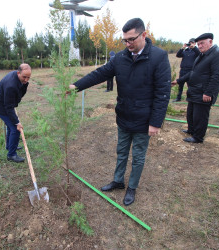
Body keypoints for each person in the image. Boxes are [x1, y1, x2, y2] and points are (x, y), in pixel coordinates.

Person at [69, 18, 171, 206]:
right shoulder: (121, 58)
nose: (127, 44)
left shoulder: (158, 57)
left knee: (138, 156)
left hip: (144, 119)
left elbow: (163, 93)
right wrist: (76, 86)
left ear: (144, 35)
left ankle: (132, 187)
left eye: (131, 39)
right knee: (121, 151)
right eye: (125, 40)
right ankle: (118, 181)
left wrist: (156, 122)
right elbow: (99, 74)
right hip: (124, 116)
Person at [171, 33, 219, 143]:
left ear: (210, 42)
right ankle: (191, 130)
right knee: (191, 114)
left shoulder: (218, 54)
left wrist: (208, 92)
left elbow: (216, 76)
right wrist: (178, 81)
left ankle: (198, 137)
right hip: (194, 91)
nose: (200, 46)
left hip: (203, 92)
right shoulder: (202, 55)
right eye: (198, 44)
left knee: (200, 116)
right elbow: (192, 72)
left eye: (202, 43)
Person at [0, 64, 32, 162]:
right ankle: (11, 155)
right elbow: (8, 107)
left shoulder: (18, 78)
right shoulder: (11, 85)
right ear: (18, 73)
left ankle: (10, 146)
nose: (26, 80)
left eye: (28, 77)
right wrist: (17, 122)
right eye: (24, 77)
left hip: (5, 103)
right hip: (0, 106)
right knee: (15, 129)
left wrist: (24, 84)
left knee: (10, 126)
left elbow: (20, 93)